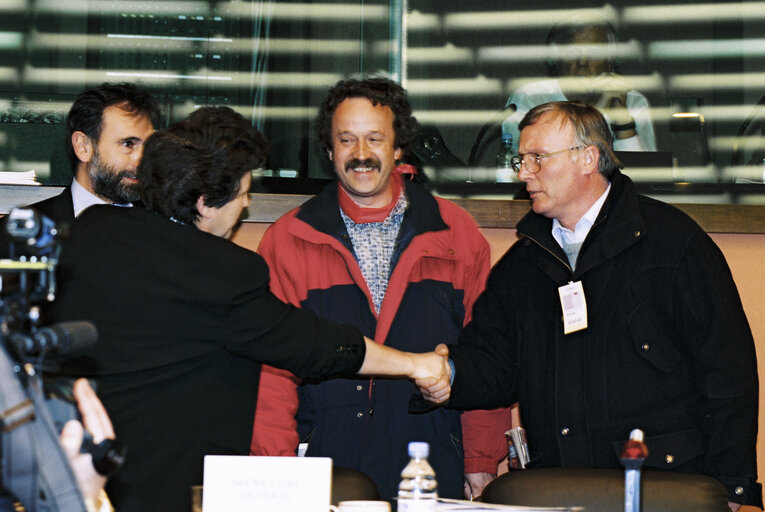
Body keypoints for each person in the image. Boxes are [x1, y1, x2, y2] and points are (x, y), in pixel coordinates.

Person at [48, 106, 450, 512]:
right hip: (168, 489)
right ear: (205, 204)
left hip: (74, 478)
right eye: (242, 195)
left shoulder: (91, 231)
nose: (245, 206)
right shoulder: (223, 272)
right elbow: (314, 344)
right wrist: (414, 365)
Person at [424, 101, 761, 511]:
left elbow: (728, 373)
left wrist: (734, 488)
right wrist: (448, 374)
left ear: (588, 158)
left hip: (663, 489)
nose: (523, 172)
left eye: (538, 158)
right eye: (521, 158)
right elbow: (496, 366)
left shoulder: (674, 245)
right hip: (559, 487)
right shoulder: (521, 265)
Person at [250, 77, 508, 502]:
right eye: (346, 140)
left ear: (397, 148)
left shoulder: (456, 234)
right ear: (329, 151)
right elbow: (271, 375)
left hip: (430, 460)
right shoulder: (288, 239)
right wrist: (277, 470)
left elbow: (485, 354)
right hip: (326, 463)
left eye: (375, 139)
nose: (362, 155)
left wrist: (481, 460)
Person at [502, 15, 656, 153]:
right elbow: (527, 168)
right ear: (556, 59)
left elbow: (641, 178)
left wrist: (623, 123)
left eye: (594, 53)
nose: (582, 62)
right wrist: (596, 111)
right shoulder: (530, 99)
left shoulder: (634, 102)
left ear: (610, 62)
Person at [33, 82, 159, 223]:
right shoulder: (24, 233)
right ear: (83, 147)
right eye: (127, 144)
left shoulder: (166, 228)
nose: (142, 160)